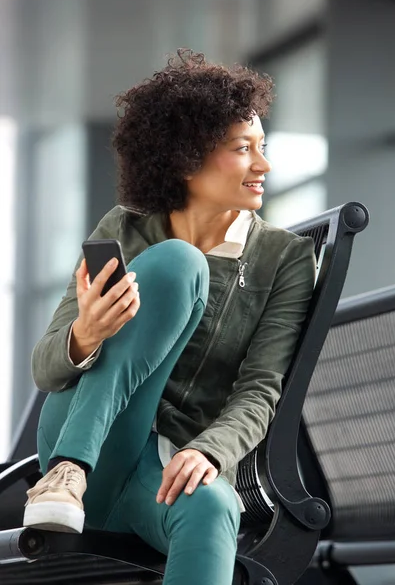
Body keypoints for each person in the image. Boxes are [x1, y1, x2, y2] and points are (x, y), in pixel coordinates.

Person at [23, 49, 315, 585]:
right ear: (185, 159)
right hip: (85, 452)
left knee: (212, 508)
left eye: (263, 148)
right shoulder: (126, 227)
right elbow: (46, 370)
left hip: (161, 471)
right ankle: (69, 469)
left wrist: (209, 450)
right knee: (180, 261)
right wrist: (86, 332)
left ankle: (78, 473)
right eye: (242, 149)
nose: (264, 166)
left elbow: (261, 389)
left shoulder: (285, 259)